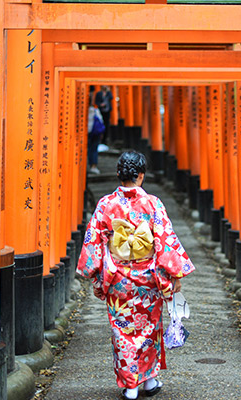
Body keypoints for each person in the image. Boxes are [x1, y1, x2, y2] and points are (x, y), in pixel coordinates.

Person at [77, 151, 195, 400]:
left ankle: (131, 386)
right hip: (147, 279)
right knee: (149, 328)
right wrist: (175, 273)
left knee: (122, 331)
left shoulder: (106, 205)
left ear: (120, 174)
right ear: (141, 175)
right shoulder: (153, 203)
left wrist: (94, 273)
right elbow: (165, 240)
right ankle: (149, 381)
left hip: (118, 279)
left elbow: (93, 242)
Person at [87, 100, 105, 175]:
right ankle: (93, 166)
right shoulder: (95, 110)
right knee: (94, 149)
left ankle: (87, 164)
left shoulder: (84, 111)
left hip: (88, 132)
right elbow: (101, 120)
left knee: (88, 149)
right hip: (96, 132)